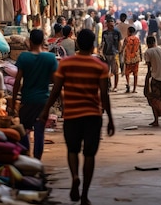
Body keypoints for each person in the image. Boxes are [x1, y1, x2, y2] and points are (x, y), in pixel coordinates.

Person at [39, 29, 115, 205]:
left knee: (72, 150)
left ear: (77, 44)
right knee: (89, 155)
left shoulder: (66, 64)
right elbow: (104, 95)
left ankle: (74, 176)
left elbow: (56, 90)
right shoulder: (100, 66)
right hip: (93, 115)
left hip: (72, 114)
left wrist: (46, 109)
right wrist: (110, 118)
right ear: (94, 45)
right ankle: (85, 195)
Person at [10, 29, 59, 159]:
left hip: (27, 101)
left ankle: (26, 158)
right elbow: (56, 82)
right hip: (43, 101)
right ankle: (37, 161)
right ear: (43, 42)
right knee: (39, 133)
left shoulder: (24, 57)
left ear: (30, 41)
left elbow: (17, 81)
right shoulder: (50, 58)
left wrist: (13, 101)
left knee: (24, 131)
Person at [143, 36, 161, 126]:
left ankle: (156, 120)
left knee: (153, 99)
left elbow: (149, 68)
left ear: (148, 44)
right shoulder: (160, 49)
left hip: (155, 78)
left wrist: (147, 80)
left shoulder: (148, 52)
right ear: (154, 42)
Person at [99, 16, 122, 91]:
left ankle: (115, 86)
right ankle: (108, 85)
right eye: (110, 25)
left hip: (114, 53)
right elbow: (103, 43)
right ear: (107, 25)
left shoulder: (117, 32)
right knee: (106, 71)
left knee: (115, 71)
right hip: (106, 53)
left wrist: (119, 52)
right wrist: (100, 51)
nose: (112, 26)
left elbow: (119, 42)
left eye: (113, 24)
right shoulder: (104, 33)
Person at [123, 26, 142, 93]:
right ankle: (134, 89)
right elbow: (139, 49)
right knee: (135, 74)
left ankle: (128, 84)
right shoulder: (137, 39)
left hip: (128, 59)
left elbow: (123, 48)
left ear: (129, 32)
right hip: (136, 58)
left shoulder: (126, 39)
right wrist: (141, 57)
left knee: (127, 73)